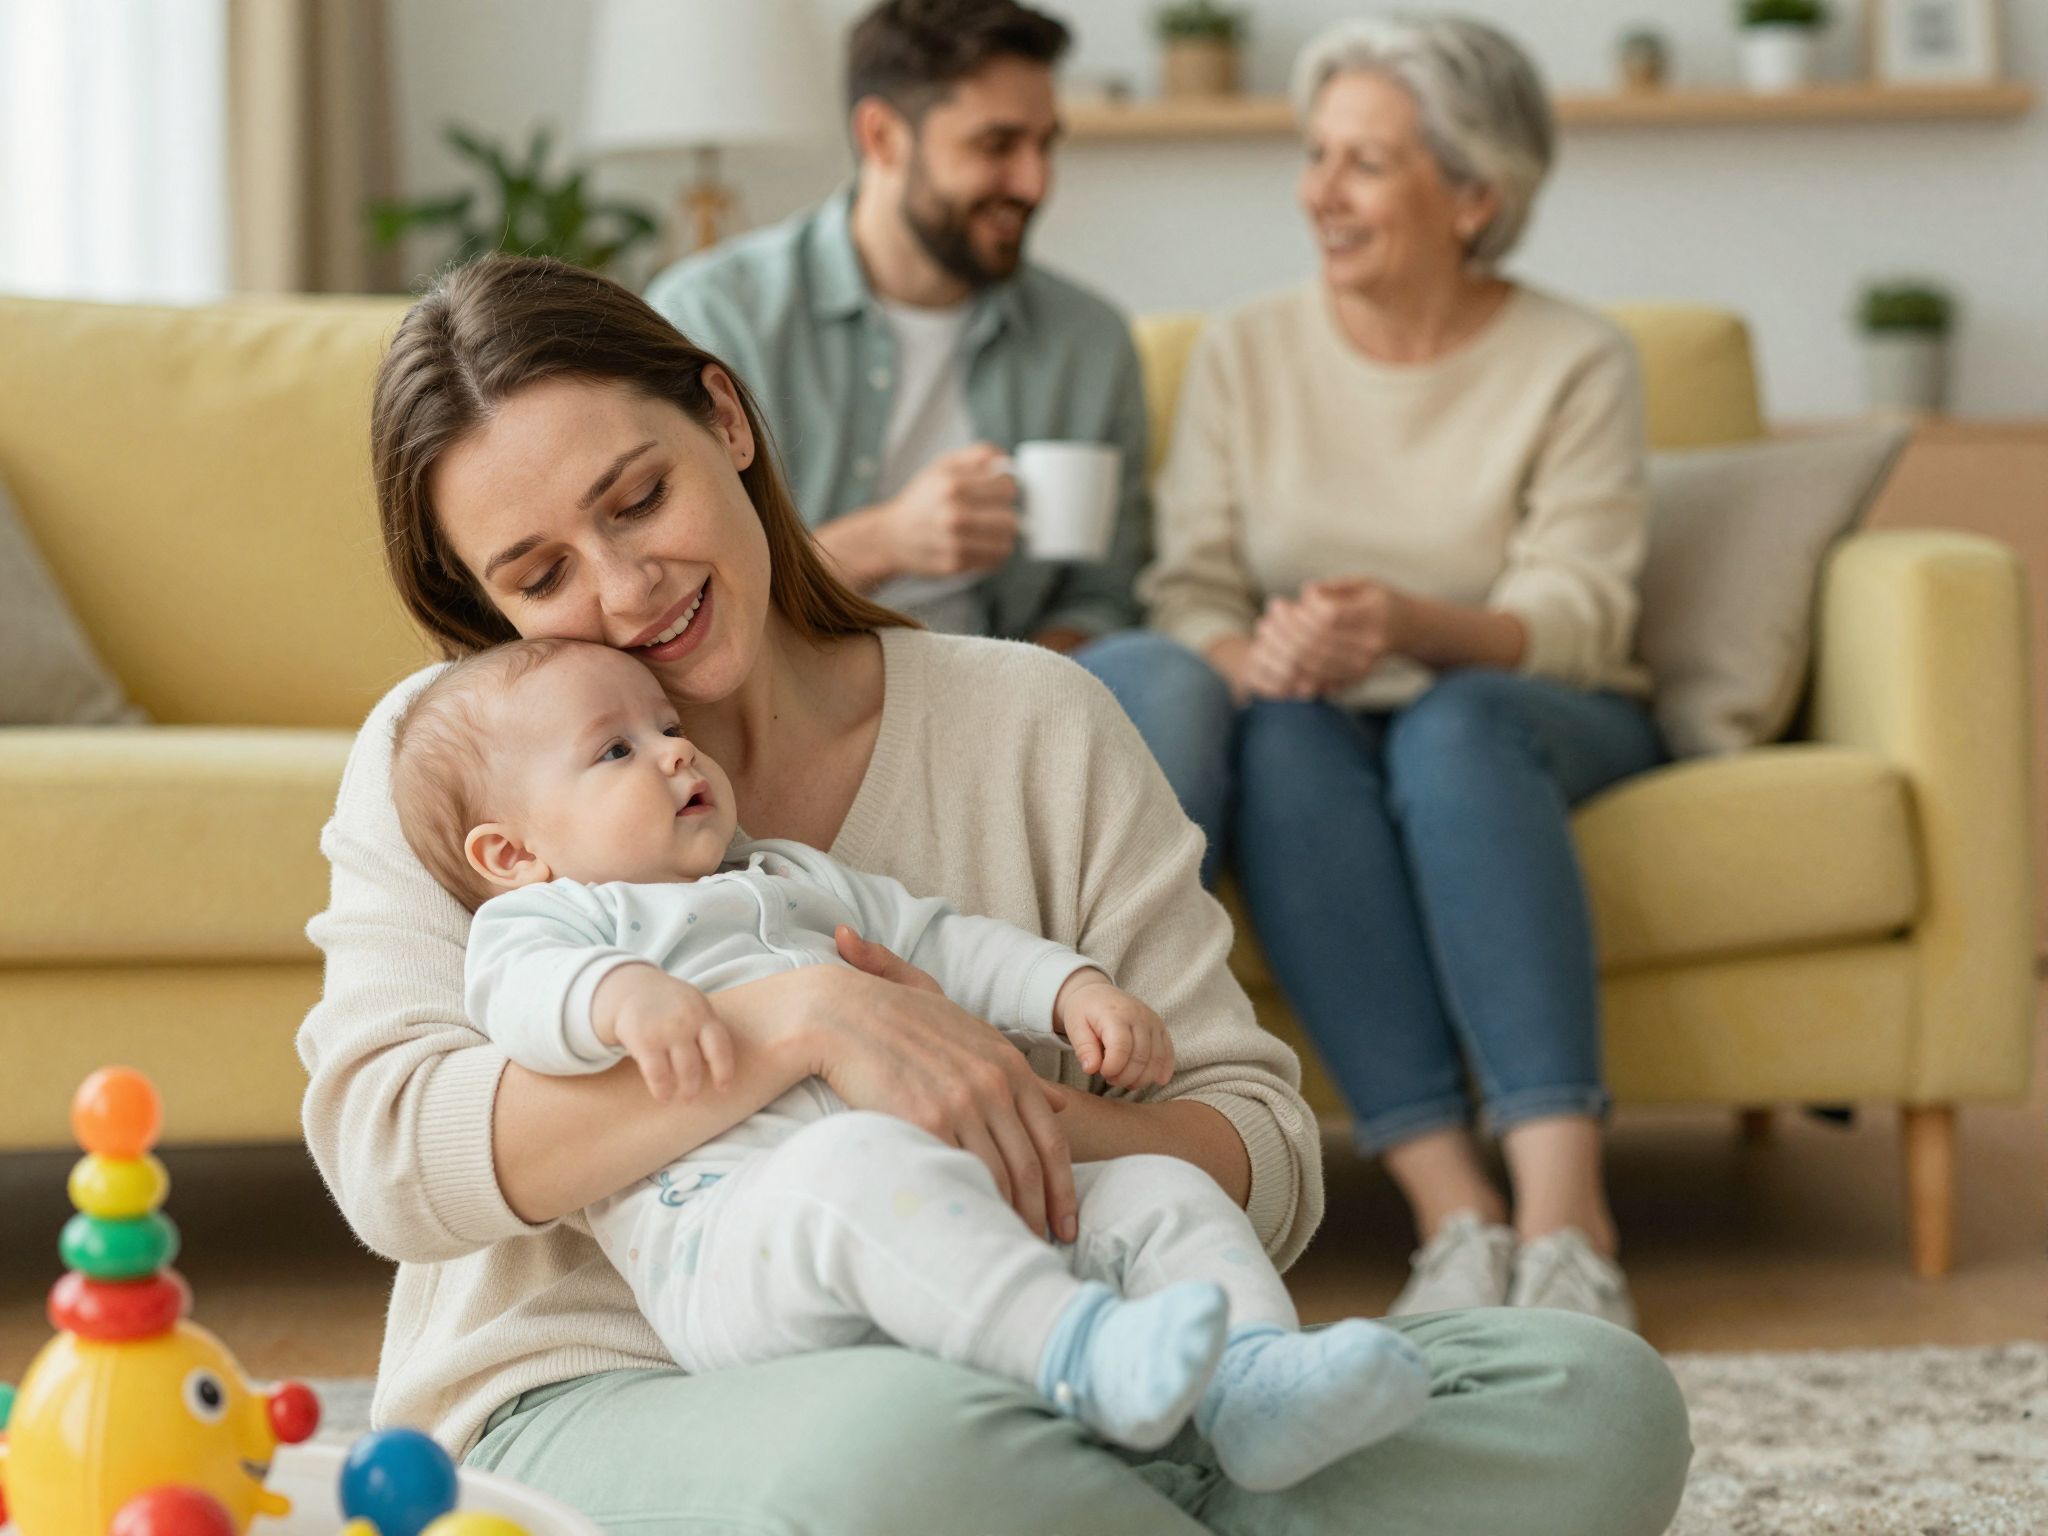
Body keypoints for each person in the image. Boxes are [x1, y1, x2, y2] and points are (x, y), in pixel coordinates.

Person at [299, 250, 1690, 1535]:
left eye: (639, 497)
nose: (622, 586)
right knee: (906, 1460)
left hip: (1081, 1348)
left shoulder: (1039, 722)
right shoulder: (462, 772)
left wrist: (1008, 1109)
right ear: (485, 604)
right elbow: (390, 1156)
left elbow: (1261, 1154)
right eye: (539, 575)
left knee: (1594, 1396)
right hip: (620, 1398)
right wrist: (805, 1026)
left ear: (725, 419)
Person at [385, 635, 1431, 1492]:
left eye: (666, 727)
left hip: (938, 1194)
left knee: (1156, 1187)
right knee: (854, 1175)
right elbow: (516, 1001)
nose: (672, 755)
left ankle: (1252, 1387)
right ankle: (1080, 1359)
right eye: (613, 752)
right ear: (511, 854)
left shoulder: (789, 876)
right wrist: (617, 997)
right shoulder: (558, 920)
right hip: (732, 1245)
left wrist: (1073, 994)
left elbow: (945, 942)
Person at [1133, 17, 1667, 1326]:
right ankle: (1456, 1218)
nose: (1319, 193)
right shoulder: (1246, 352)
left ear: (1475, 193)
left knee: (1455, 730)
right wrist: (1253, 654)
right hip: (1321, 713)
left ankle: (1565, 1218)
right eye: (1316, 157)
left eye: (1363, 163)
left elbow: (1582, 610)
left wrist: (1410, 625)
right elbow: (1187, 590)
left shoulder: (1573, 358)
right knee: (1280, 739)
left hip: (1531, 709)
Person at [643, 0, 1150, 658]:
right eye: (996, 145)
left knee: (1159, 671)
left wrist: (1034, 688)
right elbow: (680, 586)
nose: (1035, 181)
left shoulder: (1090, 341)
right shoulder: (714, 317)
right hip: (791, 684)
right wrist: (888, 540)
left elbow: (1105, 594)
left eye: (1045, 144)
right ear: (882, 136)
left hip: (1011, 686)